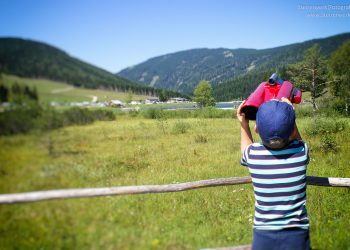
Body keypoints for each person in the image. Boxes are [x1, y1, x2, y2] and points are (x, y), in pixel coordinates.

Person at [237, 97, 310, 250]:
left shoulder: (252, 154)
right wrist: (291, 116)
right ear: (291, 129)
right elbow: (296, 138)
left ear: (257, 128)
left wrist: (244, 124)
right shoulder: (301, 152)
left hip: (263, 236)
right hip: (296, 236)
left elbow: (245, 148)